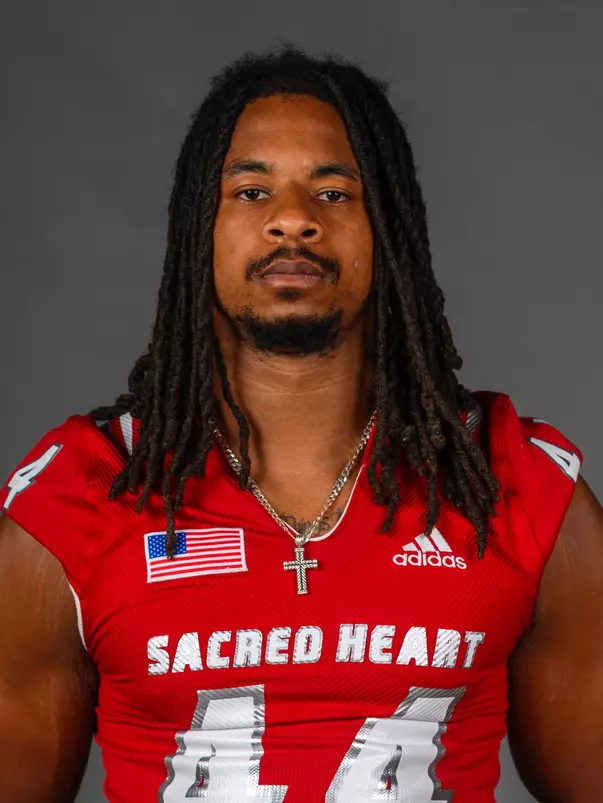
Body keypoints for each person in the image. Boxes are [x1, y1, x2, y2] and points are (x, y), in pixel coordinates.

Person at [1, 46, 601, 803]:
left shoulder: (518, 484)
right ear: (198, 230)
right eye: (250, 191)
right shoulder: (76, 495)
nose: (293, 220)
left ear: (389, 228)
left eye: (334, 193)